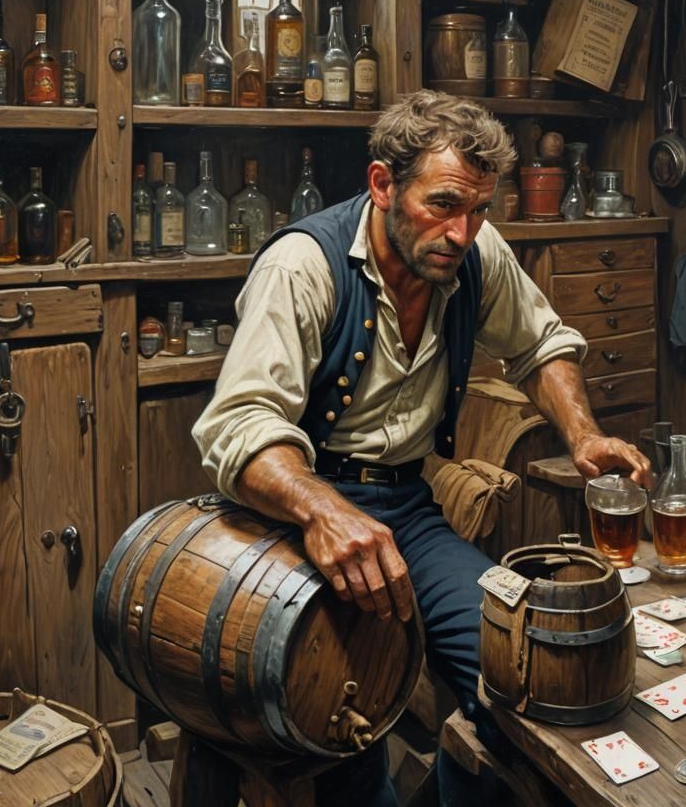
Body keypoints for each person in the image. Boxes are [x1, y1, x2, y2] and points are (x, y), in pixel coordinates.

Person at [193, 89, 651, 805]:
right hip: (293, 517)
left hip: (408, 507)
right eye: (442, 204)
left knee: (517, 674)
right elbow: (237, 426)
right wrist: (322, 509)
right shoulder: (302, 266)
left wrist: (584, 435)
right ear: (383, 185)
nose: (461, 232)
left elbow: (540, 343)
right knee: (342, 726)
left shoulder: (471, 251)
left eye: (479, 211)